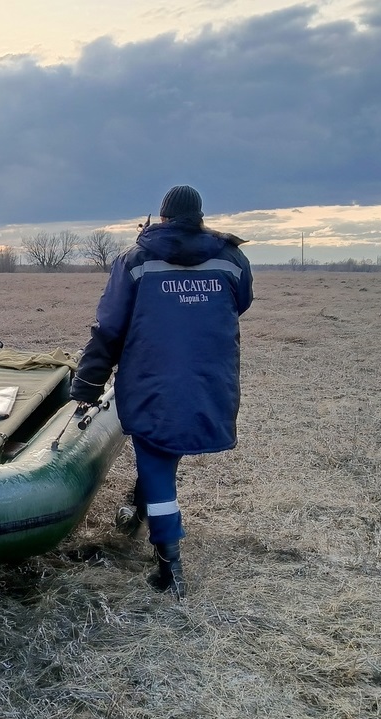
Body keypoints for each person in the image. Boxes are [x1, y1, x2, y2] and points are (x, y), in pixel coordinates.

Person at [70, 185, 253, 600]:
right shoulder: (232, 259)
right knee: (165, 453)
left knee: (156, 462)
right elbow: (239, 303)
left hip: (152, 382)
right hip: (210, 382)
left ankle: (170, 569)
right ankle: (136, 506)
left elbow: (109, 328)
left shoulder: (135, 261)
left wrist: (87, 382)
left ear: (163, 217)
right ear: (200, 217)